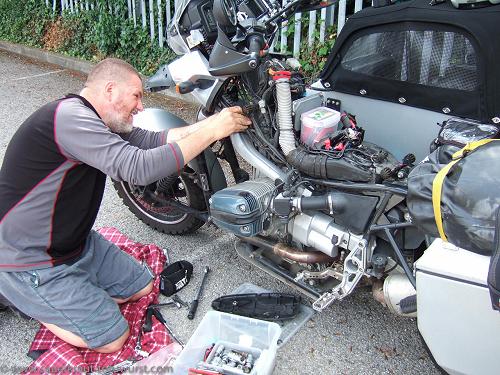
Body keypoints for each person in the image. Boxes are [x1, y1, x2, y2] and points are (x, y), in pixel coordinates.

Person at [0, 58, 251, 353]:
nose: (141, 106)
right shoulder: (70, 118)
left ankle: (71, 297)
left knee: (144, 287)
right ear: (110, 90)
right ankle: (19, 293)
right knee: (112, 338)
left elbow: (151, 140)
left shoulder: (97, 120)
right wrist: (213, 132)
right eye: (136, 95)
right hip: (31, 257)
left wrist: (215, 123)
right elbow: (138, 167)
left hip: (76, 245)